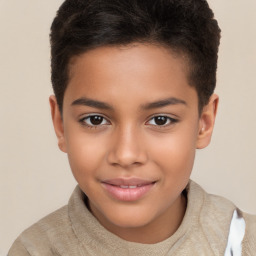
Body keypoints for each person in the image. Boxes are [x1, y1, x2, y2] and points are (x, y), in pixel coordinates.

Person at [8, 0, 256, 255]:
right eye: (95, 120)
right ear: (60, 124)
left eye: (161, 120)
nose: (126, 155)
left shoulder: (243, 242)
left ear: (204, 123)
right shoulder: (34, 250)